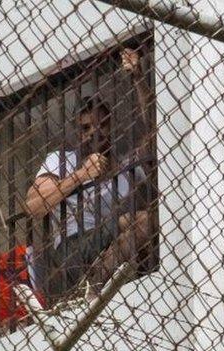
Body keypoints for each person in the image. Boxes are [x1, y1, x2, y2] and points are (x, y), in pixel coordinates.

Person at [24, 48, 155, 301]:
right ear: (77, 131)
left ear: (112, 126)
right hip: (72, 250)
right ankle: (95, 281)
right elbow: (33, 205)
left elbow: (159, 132)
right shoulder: (63, 160)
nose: (94, 132)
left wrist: (138, 77)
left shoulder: (126, 165)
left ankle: (97, 279)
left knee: (146, 221)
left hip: (111, 244)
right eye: (86, 127)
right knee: (137, 221)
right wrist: (81, 175)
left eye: (102, 124)